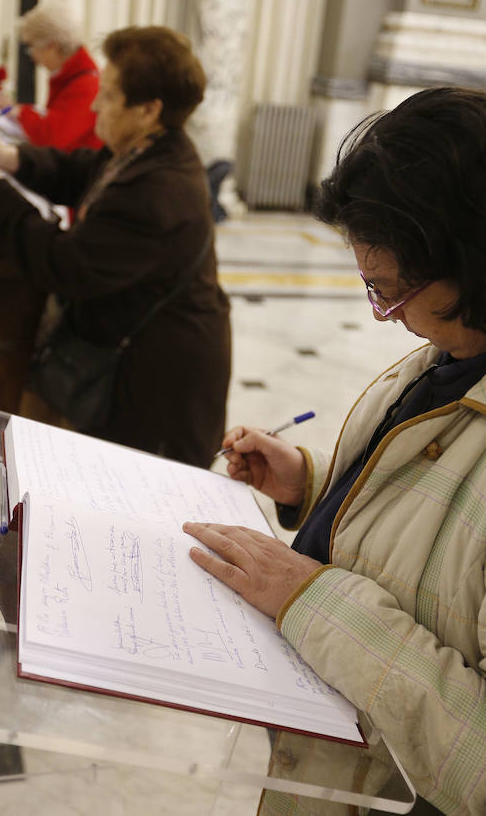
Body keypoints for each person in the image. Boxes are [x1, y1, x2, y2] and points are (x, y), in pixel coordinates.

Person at [183, 87, 486, 815]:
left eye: (390, 291)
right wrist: (311, 485)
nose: (385, 317)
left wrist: (312, 602)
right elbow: (438, 531)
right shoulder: (451, 353)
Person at [0, 25, 231, 470]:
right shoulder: (150, 147)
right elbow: (82, 170)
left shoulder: (159, 188)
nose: (94, 104)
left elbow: (65, 264)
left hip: (160, 383)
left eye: (106, 94)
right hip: (142, 359)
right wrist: (9, 157)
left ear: (147, 109)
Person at [0, 0, 102, 152]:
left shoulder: (86, 84)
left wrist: (20, 112)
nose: (32, 56)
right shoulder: (73, 76)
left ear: (51, 45)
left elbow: (54, 139)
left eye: (31, 46)